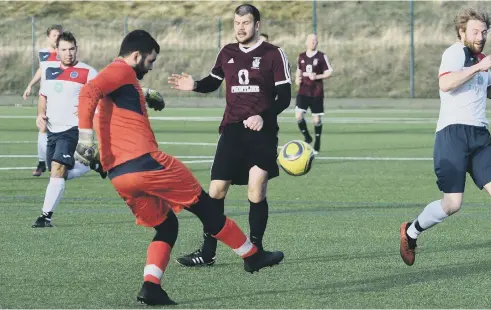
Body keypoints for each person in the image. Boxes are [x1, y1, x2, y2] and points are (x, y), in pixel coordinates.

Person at [74, 29, 283, 305]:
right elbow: (89, 91)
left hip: (119, 175)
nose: (149, 68)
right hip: (147, 164)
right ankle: (252, 255)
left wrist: (144, 94)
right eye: (149, 62)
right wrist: (85, 140)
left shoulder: (122, 79)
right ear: (136, 56)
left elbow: (108, 99)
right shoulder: (120, 71)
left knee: (166, 226)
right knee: (206, 208)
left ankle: (151, 286)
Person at [399, 7, 491, 271]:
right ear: (462, 32)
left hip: (480, 134)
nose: (481, 36)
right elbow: (446, 83)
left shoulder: (479, 58)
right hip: (453, 134)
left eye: (484, 31)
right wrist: (478, 68)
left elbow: (489, 90)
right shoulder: (455, 53)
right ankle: (411, 232)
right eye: (475, 31)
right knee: (452, 203)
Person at [168, 4, 291, 267]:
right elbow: (214, 81)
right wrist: (195, 85)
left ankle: (255, 253)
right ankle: (208, 251)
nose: (240, 28)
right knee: (216, 190)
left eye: (245, 23)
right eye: (236, 23)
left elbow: (285, 97)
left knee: (256, 189)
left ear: (257, 25)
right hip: (232, 129)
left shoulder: (274, 54)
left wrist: (263, 116)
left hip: (263, 130)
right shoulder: (227, 52)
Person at [32, 31, 106, 228]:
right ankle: (92, 163)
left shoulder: (88, 72)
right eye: (64, 49)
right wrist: (40, 115)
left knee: (57, 169)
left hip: (73, 128)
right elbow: (43, 97)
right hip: (52, 130)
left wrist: (92, 115)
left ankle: (45, 217)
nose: (68, 53)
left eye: (72, 49)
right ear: (57, 51)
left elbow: (100, 99)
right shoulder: (49, 70)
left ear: (76, 49)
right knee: (60, 173)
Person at [24, 24, 63, 177]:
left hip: (61, 97)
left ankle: (65, 160)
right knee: (43, 127)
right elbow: (42, 70)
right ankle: (42, 163)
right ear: (48, 37)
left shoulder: (65, 53)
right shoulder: (43, 53)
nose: (58, 37)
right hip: (46, 97)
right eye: (55, 35)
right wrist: (30, 85)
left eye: (60, 35)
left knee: (64, 129)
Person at [294, 33, 333, 153]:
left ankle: (317, 142)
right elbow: (298, 70)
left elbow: (329, 72)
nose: (313, 42)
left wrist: (318, 76)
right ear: (306, 42)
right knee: (298, 115)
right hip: (303, 91)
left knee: (316, 120)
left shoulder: (321, 56)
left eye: (315, 40)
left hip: (316, 92)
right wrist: (297, 79)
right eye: (311, 40)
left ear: (317, 42)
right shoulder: (301, 56)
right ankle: (307, 137)